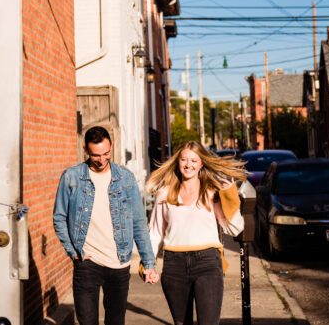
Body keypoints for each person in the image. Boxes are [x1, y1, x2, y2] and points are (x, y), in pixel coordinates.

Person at [53, 126, 158, 325]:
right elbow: (59, 217)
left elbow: (138, 223)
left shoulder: (125, 178)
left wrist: (149, 263)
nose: (102, 160)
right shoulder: (71, 177)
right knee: (87, 321)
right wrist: (73, 251)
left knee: (116, 321)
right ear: (85, 149)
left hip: (119, 262)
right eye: (96, 155)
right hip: (87, 261)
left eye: (106, 153)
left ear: (111, 146)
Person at [146, 141, 246, 325]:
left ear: (201, 164)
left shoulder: (211, 192)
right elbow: (154, 233)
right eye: (184, 159)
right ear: (177, 162)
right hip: (174, 265)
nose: (188, 164)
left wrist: (230, 196)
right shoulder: (164, 194)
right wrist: (148, 265)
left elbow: (234, 228)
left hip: (207, 262)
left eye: (194, 160)